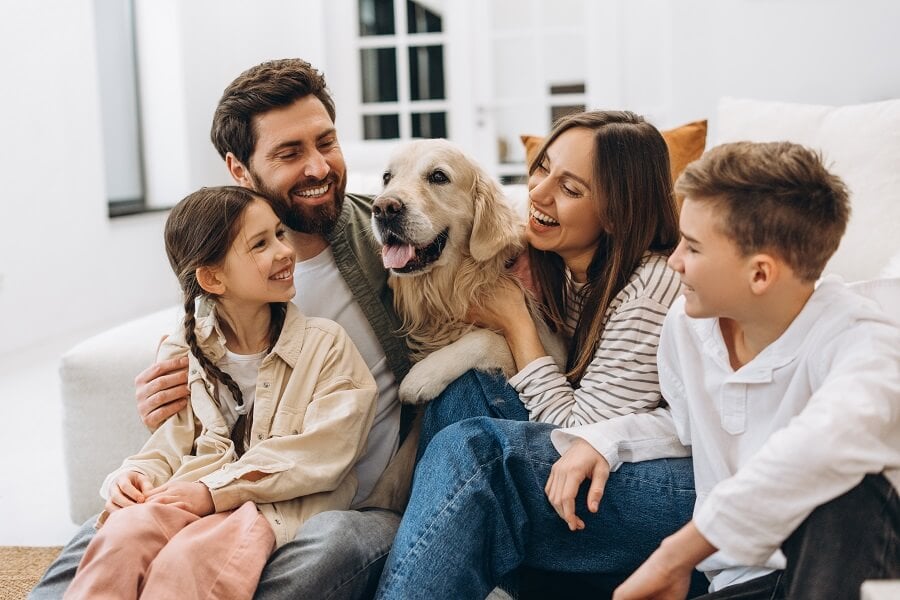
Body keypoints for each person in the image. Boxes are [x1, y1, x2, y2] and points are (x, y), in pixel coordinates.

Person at [32, 59, 414, 600]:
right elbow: (194, 403)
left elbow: (478, 244)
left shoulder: (396, 237)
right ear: (239, 168)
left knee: (322, 550)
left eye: (325, 142)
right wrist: (155, 439)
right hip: (215, 492)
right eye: (289, 153)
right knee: (105, 536)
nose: (318, 168)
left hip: (344, 501)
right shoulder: (226, 267)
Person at [376, 111, 706, 599]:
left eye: (570, 189)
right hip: (592, 476)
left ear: (617, 211)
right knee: (463, 391)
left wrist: (515, 324)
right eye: (541, 168)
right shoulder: (561, 263)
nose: (539, 193)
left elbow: (580, 435)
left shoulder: (648, 288)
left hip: (686, 491)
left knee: (475, 453)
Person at [609, 141, 900, 599]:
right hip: (740, 582)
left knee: (848, 491)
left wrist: (676, 554)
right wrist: (602, 441)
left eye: (694, 247)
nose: (673, 261)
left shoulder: (867, 342)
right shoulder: (686, 327)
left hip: (842, 566)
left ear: (760, 274)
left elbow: (822, 446)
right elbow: (686, 432)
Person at [65, 186, 377, 599]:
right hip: (192, 493)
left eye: (280, 234)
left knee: (188, 561)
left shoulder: (326, 345)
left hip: (274, 507)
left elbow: (324, 452)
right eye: (261, 244)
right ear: (212, 278)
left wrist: (212, 492)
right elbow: (170, 444)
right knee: (122, 533)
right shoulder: (186, 347)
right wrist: (134, 476)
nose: (285, 251)